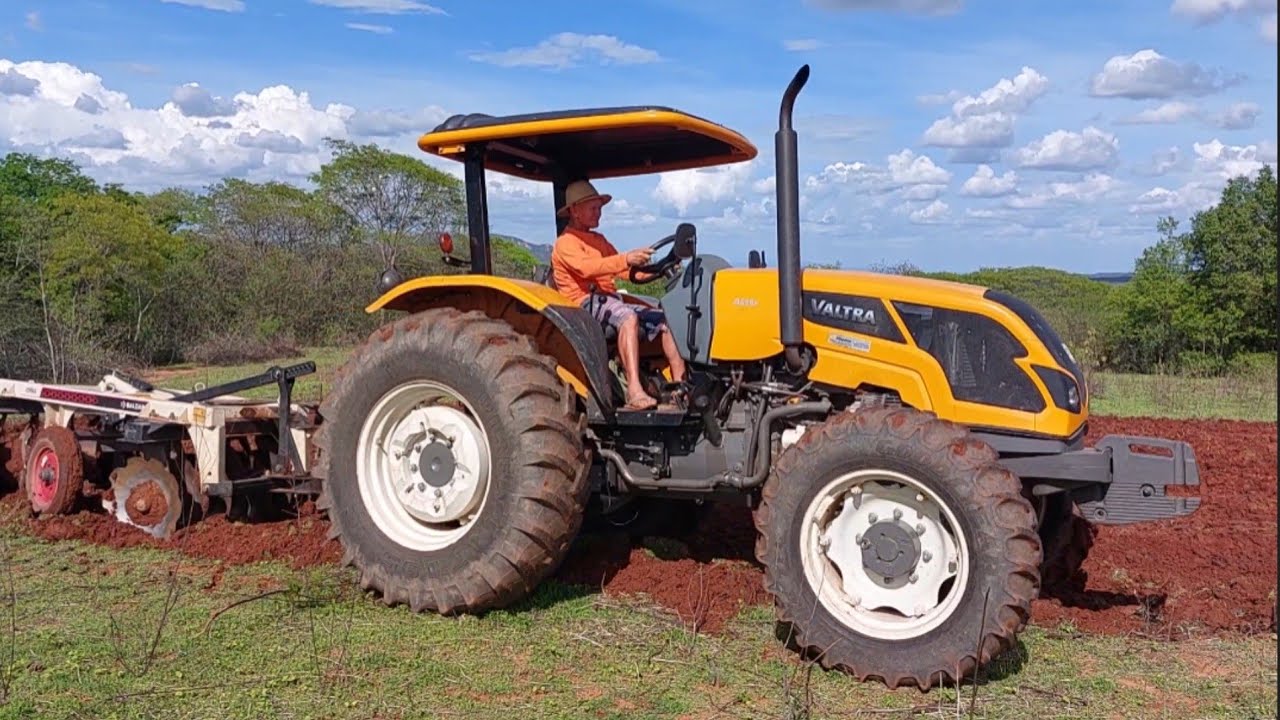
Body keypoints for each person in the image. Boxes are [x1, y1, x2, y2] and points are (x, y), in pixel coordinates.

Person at [551, 180, 687, 411]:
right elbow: (588, 268)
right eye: (593, 209)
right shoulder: (565, 243)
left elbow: (626, 272)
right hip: (582, 304)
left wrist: (660, 266)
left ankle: (680, 388)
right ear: (574, 210)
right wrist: (626, 258)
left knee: (666, 321)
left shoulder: (598, 240)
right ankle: (634, 390)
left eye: (600, 208)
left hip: (607, 299)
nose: (599, 214)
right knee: (627, 317)